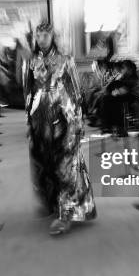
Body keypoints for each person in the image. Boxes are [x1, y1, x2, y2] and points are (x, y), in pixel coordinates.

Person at [22, 22, 97, 235]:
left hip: (64, 118)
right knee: (43, 163)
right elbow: (27, 92)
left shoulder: (65, 59)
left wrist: (77, 122)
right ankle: (52, 204)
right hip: (40, 119)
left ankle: (67, 214)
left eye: (46, 34)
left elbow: (75, 93)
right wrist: (30, 120)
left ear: (53, 35)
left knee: (66, 166)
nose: (42, 37)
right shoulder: (30, 61)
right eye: (38, 34)